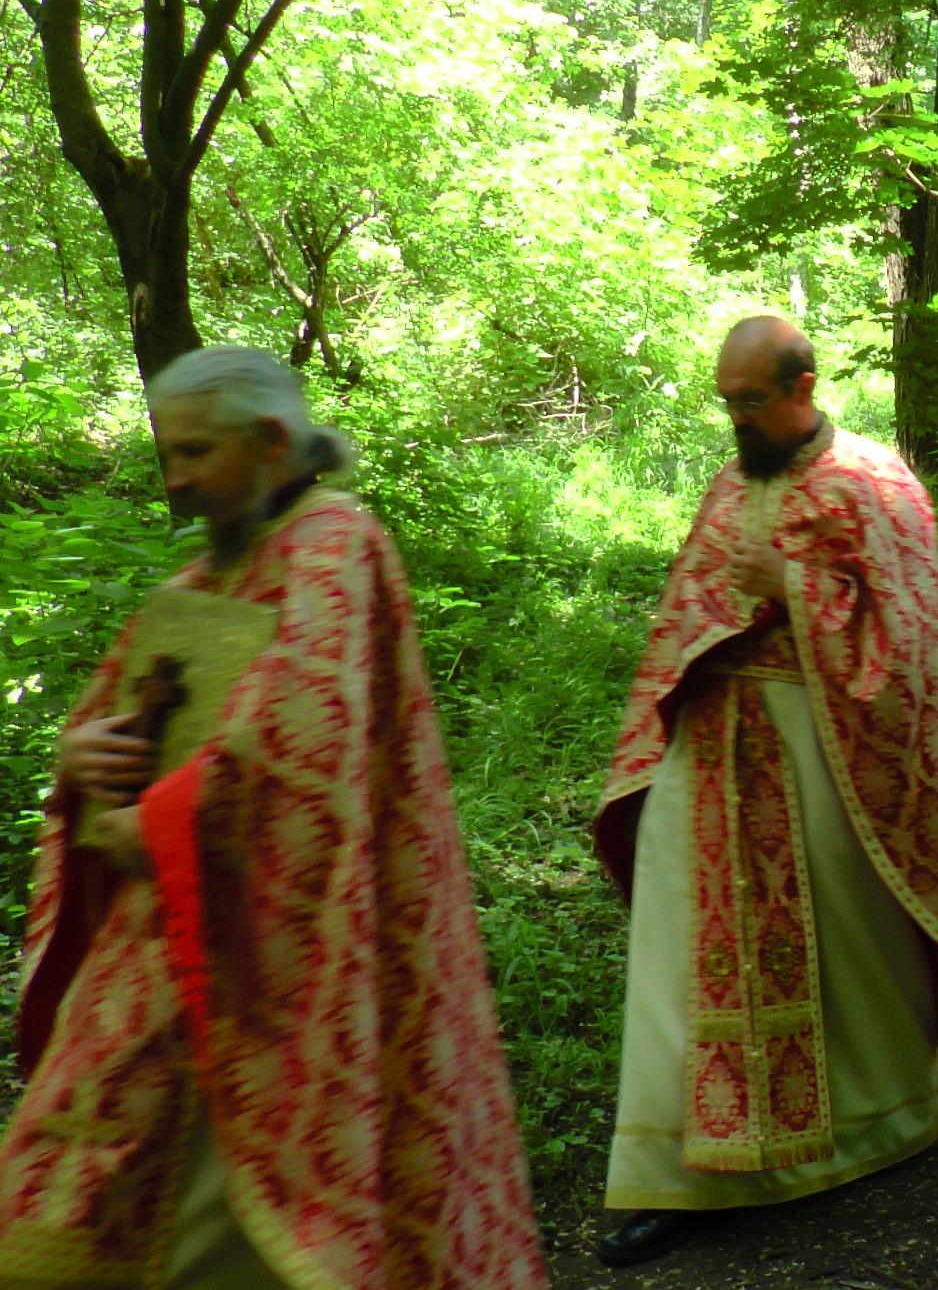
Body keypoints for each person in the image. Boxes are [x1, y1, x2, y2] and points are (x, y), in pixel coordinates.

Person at [1, 347, 548, 1288]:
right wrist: (79, 758)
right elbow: (121, 714)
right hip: (166, 931)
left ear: (268, 441)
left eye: (196, 454)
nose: (176, 481)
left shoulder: (336, 545)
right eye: (169, 455)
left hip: (284, 951)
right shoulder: (204, 578)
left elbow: (299, 741)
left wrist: (154, 825)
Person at [592, 317, 938, 1264]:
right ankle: (678, 1174)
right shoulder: (731, 483)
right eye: (726, 401)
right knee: (683, 947)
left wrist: (797, 587)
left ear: (802, 386)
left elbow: (914, 640)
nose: (736, 419)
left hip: (825, 747)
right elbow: (688, 610)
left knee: (845, 942)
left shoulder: (875, 483)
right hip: (709, 752)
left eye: (749, 400)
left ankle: (881, 1113)